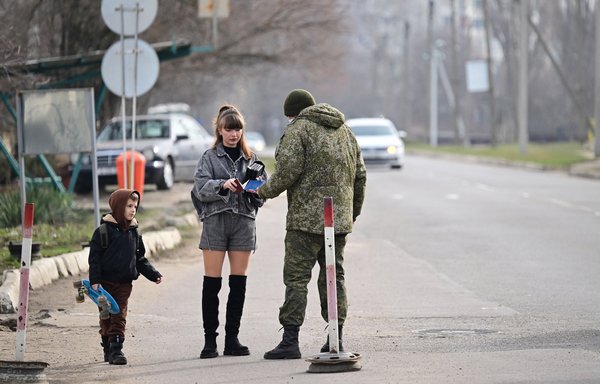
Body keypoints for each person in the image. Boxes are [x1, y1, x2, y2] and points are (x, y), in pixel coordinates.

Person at [257, 89, 367, 359]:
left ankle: (290, 341)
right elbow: (360, 175)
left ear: (293, 114)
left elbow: (287, 172)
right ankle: (336, 338)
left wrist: (261, 192)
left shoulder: (298, 130)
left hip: (304, 223)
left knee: (296, 278)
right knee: (334, 277)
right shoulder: (346, 131)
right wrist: (351, 213)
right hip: (338, 221)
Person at [192, 105, 266, 359]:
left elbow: (263, 193)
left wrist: (255, 190)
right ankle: (209, 341)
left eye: (237, 129)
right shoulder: (209, 157)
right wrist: (222, 184)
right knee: (212, 283)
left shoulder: (252, 159)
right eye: (228, 129)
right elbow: (200, 188)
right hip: (215, 221)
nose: (233, 134)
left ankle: (232, 339)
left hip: (244, 222)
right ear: (219, 130)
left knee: (238, 283)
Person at [88, 189, 163, 365]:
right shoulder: (103, 232)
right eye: (129, 206)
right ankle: (107, 346)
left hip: (124, 284)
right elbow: (94, 260)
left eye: (135, 206)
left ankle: (117, 350)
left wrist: (153, 274)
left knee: (119, 314)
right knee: (105, 316)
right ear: (118, 206)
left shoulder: (134, 232)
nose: (132, 210)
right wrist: (95, 281)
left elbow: (139, 259)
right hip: (103, 285)